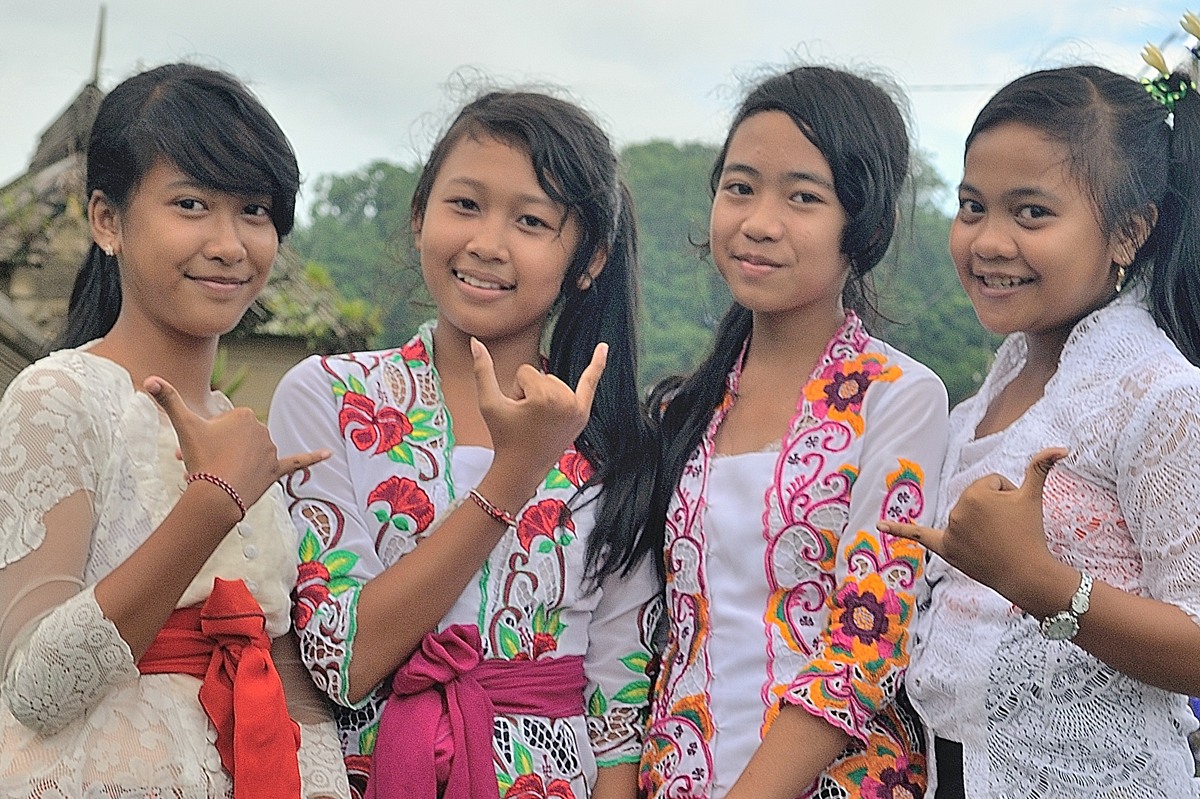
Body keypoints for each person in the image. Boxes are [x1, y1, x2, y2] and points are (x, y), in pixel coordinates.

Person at [268, 90, 660, 799]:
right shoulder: (327, 396)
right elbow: (342, 659)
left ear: (590, 258)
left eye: (532, 220)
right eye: (465, 205)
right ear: (419, 216)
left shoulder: (619, 445)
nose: (487, 242)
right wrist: (515, 473)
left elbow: (618, 707)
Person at [0, 63, 350, 799]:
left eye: (254, 211)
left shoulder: (242, 433)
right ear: (107, 220)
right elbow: (33, 685)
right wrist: (211, 500)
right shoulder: (58, 397)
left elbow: (286, 677)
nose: (229, 243)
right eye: (191, 204)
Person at [880, 58, 1200, 797]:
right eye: (972, 207)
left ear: (1128, 234)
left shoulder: (1160, 397)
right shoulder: (982, 401)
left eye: (1031, 213)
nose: (988, 241)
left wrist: (1041, 581)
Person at [638, 65, 949, 799]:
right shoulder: (681, 411)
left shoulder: (898, 397)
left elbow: (865, 645)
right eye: (739, 186)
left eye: (802, 197)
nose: (760, 221)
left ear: (864, 224)